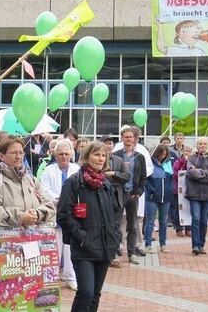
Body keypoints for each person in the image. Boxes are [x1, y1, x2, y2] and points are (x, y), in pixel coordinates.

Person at [0, 137, 56, 311]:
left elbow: (49, 205)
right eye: (14, 152)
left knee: (24, 295)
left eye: (21, 152)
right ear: (2, 156)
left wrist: (38, 214)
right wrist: (20, 217)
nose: (19, 156)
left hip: (28, 247)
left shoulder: (30, 179)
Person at [57, 141, 120, 311]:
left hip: (105, 246)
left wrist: (115, 236)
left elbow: (114, 214)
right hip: (84, 248)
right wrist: (81, 236)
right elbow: (63, 215)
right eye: (96, 154)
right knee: (85, 292)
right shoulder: (75, 182)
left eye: (103, 155)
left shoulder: (105, 184)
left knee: (95, 294)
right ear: (86, 156)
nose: (100, 158)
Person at [40, 139, 80, 290]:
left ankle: (70, 277)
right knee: (54, 248)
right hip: (55, 211)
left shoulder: (76, 169)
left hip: (72, 213)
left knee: (70, 248)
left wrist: (69, 201)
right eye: (60, 154)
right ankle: (52, 278)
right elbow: (44, 189)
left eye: (66, 153)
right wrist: (60, 200)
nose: (63, 156)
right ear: (55, 156)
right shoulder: (48, 170)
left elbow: (80, 189)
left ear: (71, 154)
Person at [112, 126, 146, 264]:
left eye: (131, 137)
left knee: (132, 225)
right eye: (126, 137)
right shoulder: (116, 155)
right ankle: (115, 251)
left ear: (135, 139)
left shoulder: (140, 157)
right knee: (115, 224)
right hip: (119, 194)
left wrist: (138, 192)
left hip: (133, 195)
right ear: (122, 138)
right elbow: (112, 174)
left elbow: (143, 177)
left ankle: (132, 253)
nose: (129, 139)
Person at [185, 137, 208, 255]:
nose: (202, 145)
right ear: (197, 145)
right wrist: (205, 172)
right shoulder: (192, 158)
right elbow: (191, 173)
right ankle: (195, 245)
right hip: (194, 194)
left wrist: (198, 174)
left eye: (204, 144)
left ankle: (201, 244)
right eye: (200, 143)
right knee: (196, 219)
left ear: (207, 145)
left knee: (204, 220)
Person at [101, 137, 130, 268]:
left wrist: (113, 174)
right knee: (103, 226)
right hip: (102, 196)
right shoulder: (98, 159)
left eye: (110, 143)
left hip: (117, 198)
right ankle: (103, 254)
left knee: (115, 227)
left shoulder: (119, 160)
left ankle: (113, 255)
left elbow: (126, 176)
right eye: (105, 143)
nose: (108, 145)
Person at [144, 144, 172, 253]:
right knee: (150, 221)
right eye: (161, 153)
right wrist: (151, 191)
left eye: (165, 154)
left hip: (166, 197)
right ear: (157, 153)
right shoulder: (150, 163)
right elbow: (145, 179)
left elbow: (171, 179)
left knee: (163, 221)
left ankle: (163, 244)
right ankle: (148, 245)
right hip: (152, 197)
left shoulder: (168, 163)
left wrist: (170, 190)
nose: (163, 156)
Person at [172, 145, 193, 237]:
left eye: (189, 151)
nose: (187, 153)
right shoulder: (177, 162)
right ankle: (179, 228)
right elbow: (175, 174)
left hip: (191, 189)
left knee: (189, 209)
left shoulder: (193, 162)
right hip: (179, 189)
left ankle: (189, 229)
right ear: (182, 152)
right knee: (179, 209)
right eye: (186, 151)